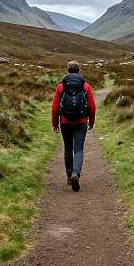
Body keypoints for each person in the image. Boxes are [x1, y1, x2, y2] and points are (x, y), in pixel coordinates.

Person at [51, 61, 96, 192]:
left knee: (68, 148)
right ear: (79, 70)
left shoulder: (61, 86)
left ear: (68, 70)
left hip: (65, 122)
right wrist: (91, 122)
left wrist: (55, 123)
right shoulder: (85, 85)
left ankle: (70, 176)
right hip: (81, 122)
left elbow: (54, 108)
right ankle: (76, 172)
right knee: (78, 149)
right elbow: (92, 107)